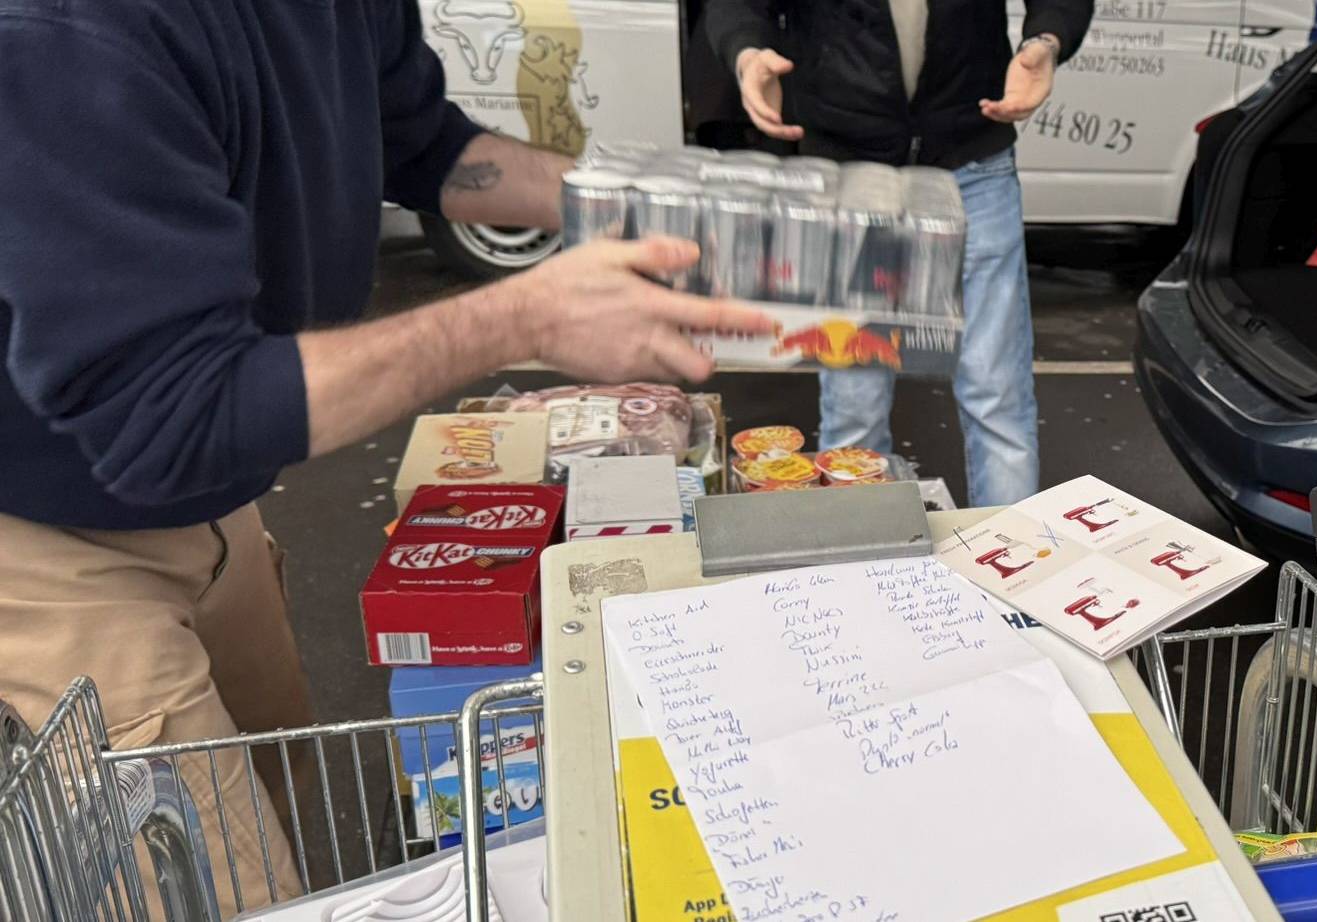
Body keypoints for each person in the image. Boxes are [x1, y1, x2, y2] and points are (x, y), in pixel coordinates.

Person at [0, 0, 767, 912]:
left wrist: (646, 214)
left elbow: (430, 149)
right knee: (217, 887)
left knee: (274, 790)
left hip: (215, 505)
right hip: (51, 539)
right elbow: (168, 414)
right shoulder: (67, 37)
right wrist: (528, 315)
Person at [707, 0, 1092, 507]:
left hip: (971, 160)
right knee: (854, 407)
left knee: (998, 397)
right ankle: (867, 569)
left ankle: (1012, 562)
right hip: (849, 170)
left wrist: (1047, 40)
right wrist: (746, 52)